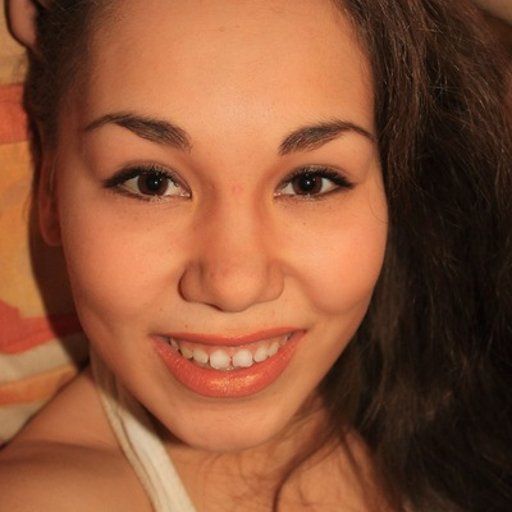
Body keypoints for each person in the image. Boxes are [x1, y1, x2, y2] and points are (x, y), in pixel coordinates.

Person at [1, 0, 511, 510]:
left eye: (310, 182)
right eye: (151, 182)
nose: (233, 285)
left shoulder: (453, 371)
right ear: (50, 188)